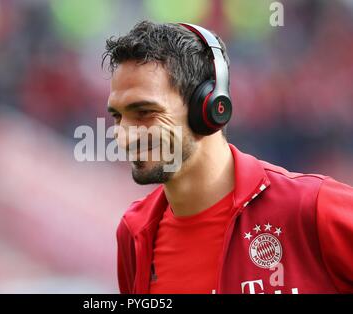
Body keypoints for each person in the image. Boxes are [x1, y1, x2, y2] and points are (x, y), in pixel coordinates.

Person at [103, 21, 353, 294]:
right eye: (118, 116)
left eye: (145, 112)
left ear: (209, 108)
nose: (124, 135)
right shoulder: (134, 232)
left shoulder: (312, 207)